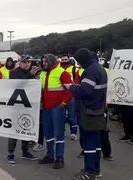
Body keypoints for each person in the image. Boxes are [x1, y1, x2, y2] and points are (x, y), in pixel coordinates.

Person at [64, 48, 108, 180]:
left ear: (83, 59)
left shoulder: (90, 71)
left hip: (88, 111)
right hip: (98, 110)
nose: (79, 63)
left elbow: (85, 92)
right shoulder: (99, 68)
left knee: (88, 142)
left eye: (79, 60)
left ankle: (89, 172)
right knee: (96, 142)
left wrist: (71, 87)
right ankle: (96, 169)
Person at [38, 54, 73, 169]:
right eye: (43, 61)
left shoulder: (62, 73)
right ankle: (50, 155)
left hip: (57, 108)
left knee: (59, 133)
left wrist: (63, 103)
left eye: (45, 61)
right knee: (48, 133)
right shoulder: (43, 73)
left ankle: (59, 158)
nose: (44, 63)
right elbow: (40, 89)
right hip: (46, 108)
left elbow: (70, 90)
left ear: (51, 61)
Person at [6, 56, 40, 164]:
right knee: (15, 130)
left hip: (28, 104)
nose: (27, 64)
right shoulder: (14, 72)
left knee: (26, 128)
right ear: (20, 63)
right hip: (17, 105)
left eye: (29, 62)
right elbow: (18, 84)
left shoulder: (31, 72)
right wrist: (31, 75)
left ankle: (25, 152)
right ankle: (10, 153)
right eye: (25, 62)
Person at [60, 54, 78, 140]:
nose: (64, 61)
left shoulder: (74, 69)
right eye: (62, 60)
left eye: (65, 59)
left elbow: (78, 80)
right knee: (61, 115)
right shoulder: (59, 69)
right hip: (61, 95)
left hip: (71, 95)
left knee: (72, 115)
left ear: (69, 60)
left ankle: (73, 132)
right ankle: (61, 131)